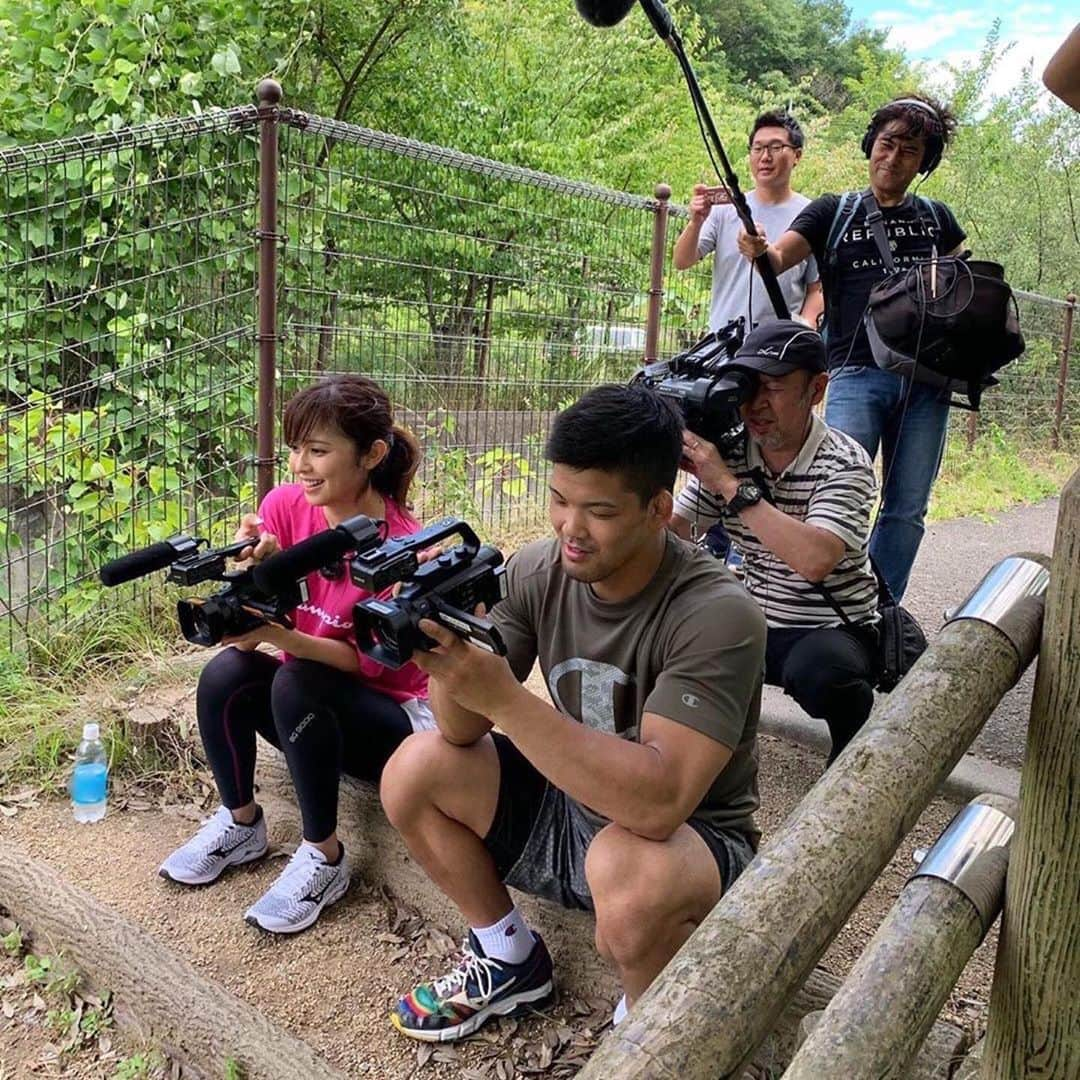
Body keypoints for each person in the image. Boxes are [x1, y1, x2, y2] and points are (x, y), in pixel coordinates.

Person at [379, 384, 766, 1042]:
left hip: (683, 846)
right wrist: (446, 641)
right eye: (559, 500)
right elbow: (458, 729)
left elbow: (660, 803)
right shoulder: (539, 571)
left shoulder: (717, 614)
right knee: (417, 766)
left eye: (599, 512)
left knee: (628, 869)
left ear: (657, 509)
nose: (570, 529)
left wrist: (503, 695)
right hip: (571, 806)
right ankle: (507, 956)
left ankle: (647, 1030)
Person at [159, 375, 433, 934]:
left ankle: (323, 857)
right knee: (226, 672)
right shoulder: (286, 506)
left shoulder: (405, 548)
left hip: (391, 722)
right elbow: (281, 602)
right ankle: (240, 823)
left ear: (372, 455)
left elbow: (371, 665)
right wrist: (256, 578)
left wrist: (281, 639)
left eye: (318, 451)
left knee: (296, 677)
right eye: (294, 449)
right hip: (307, 708)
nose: (299, 466)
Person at [737, 94, 965, 601]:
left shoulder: (938, 220)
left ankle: (878, 612)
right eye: (887, 144)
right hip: (854, 374)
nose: (893, 158)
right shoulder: (832, 212)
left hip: (927, 381)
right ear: (870, 145)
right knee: (836, 490)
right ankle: (828, 603)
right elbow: (778, 260)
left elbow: (964, 291)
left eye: (910, 150)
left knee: (907, 507)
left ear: (923, 163)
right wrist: (758, 251)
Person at [671, 322, 880, 766]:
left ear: (817, 389)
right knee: (676, 640)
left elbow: (815, 559)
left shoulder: (844, 463)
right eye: (747, 386)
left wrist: (729, 486)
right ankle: (696, 760)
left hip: (832, 625)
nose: (755, 404)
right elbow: (676, 531)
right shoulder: (731, 453)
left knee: (820, 673)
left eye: (775, 387)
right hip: (757, 618)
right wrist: (652, 474)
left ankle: (852, 745)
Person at [673, 109, 823, 335]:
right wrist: (696, 222)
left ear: (797, 156)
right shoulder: (725, 209)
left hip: (780, 347)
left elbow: (816, 288)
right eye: (758, 148)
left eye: (775, 147)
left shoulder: (811, 214)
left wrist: (806, 327)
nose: (765, 157)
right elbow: (682, 260)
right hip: (724, 343)